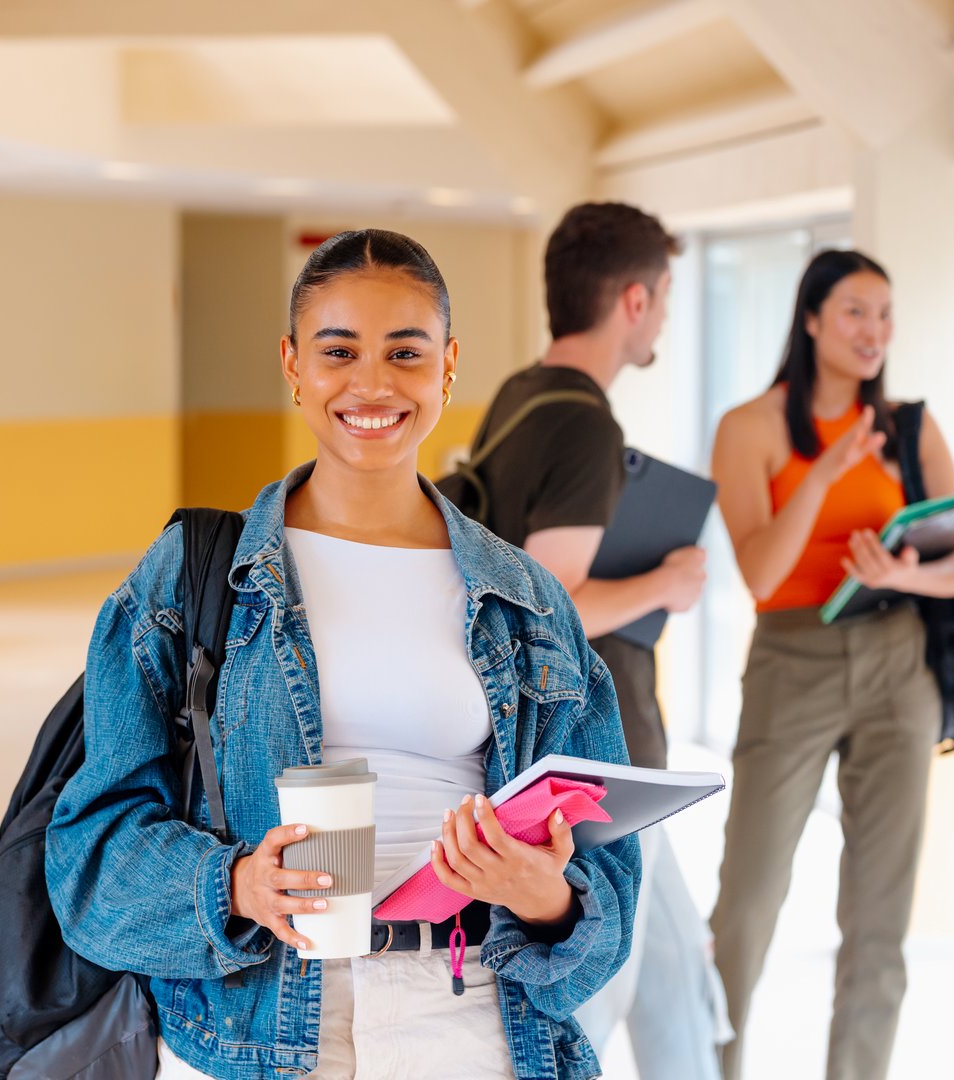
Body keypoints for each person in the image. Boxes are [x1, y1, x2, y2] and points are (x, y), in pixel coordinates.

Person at [45, 229, 640, 1080]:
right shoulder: (191, 578)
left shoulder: (527, 600)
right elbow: (89, 860)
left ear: (447, 365)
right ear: (292, 364)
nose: (372, 383)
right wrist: (237, 886)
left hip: (470, 1022)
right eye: (338, 351)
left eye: (405, 351)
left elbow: (609, 883)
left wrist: (545, 899)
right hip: (252, 1031)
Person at [447, 201, 725, 1079]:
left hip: (576, 751)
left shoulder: (520, 397)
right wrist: (665, 586)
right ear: (634, 301)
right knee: (591, 996)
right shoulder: (585, 422)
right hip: (596, 761)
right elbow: (550, 595)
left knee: (679, 977)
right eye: (666, 297)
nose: (665, 319)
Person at [708, 249, 954, 1080]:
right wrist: (827, 469)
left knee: (880, 914)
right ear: (809, 320)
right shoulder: (750, 427)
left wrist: (900, 571)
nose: (875, 332)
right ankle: (710, 1063)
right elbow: (758, 572)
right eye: (855, 312)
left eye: (885, 314)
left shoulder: (909, 426)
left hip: (899, 661)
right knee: (747, 903)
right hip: (791, 660)